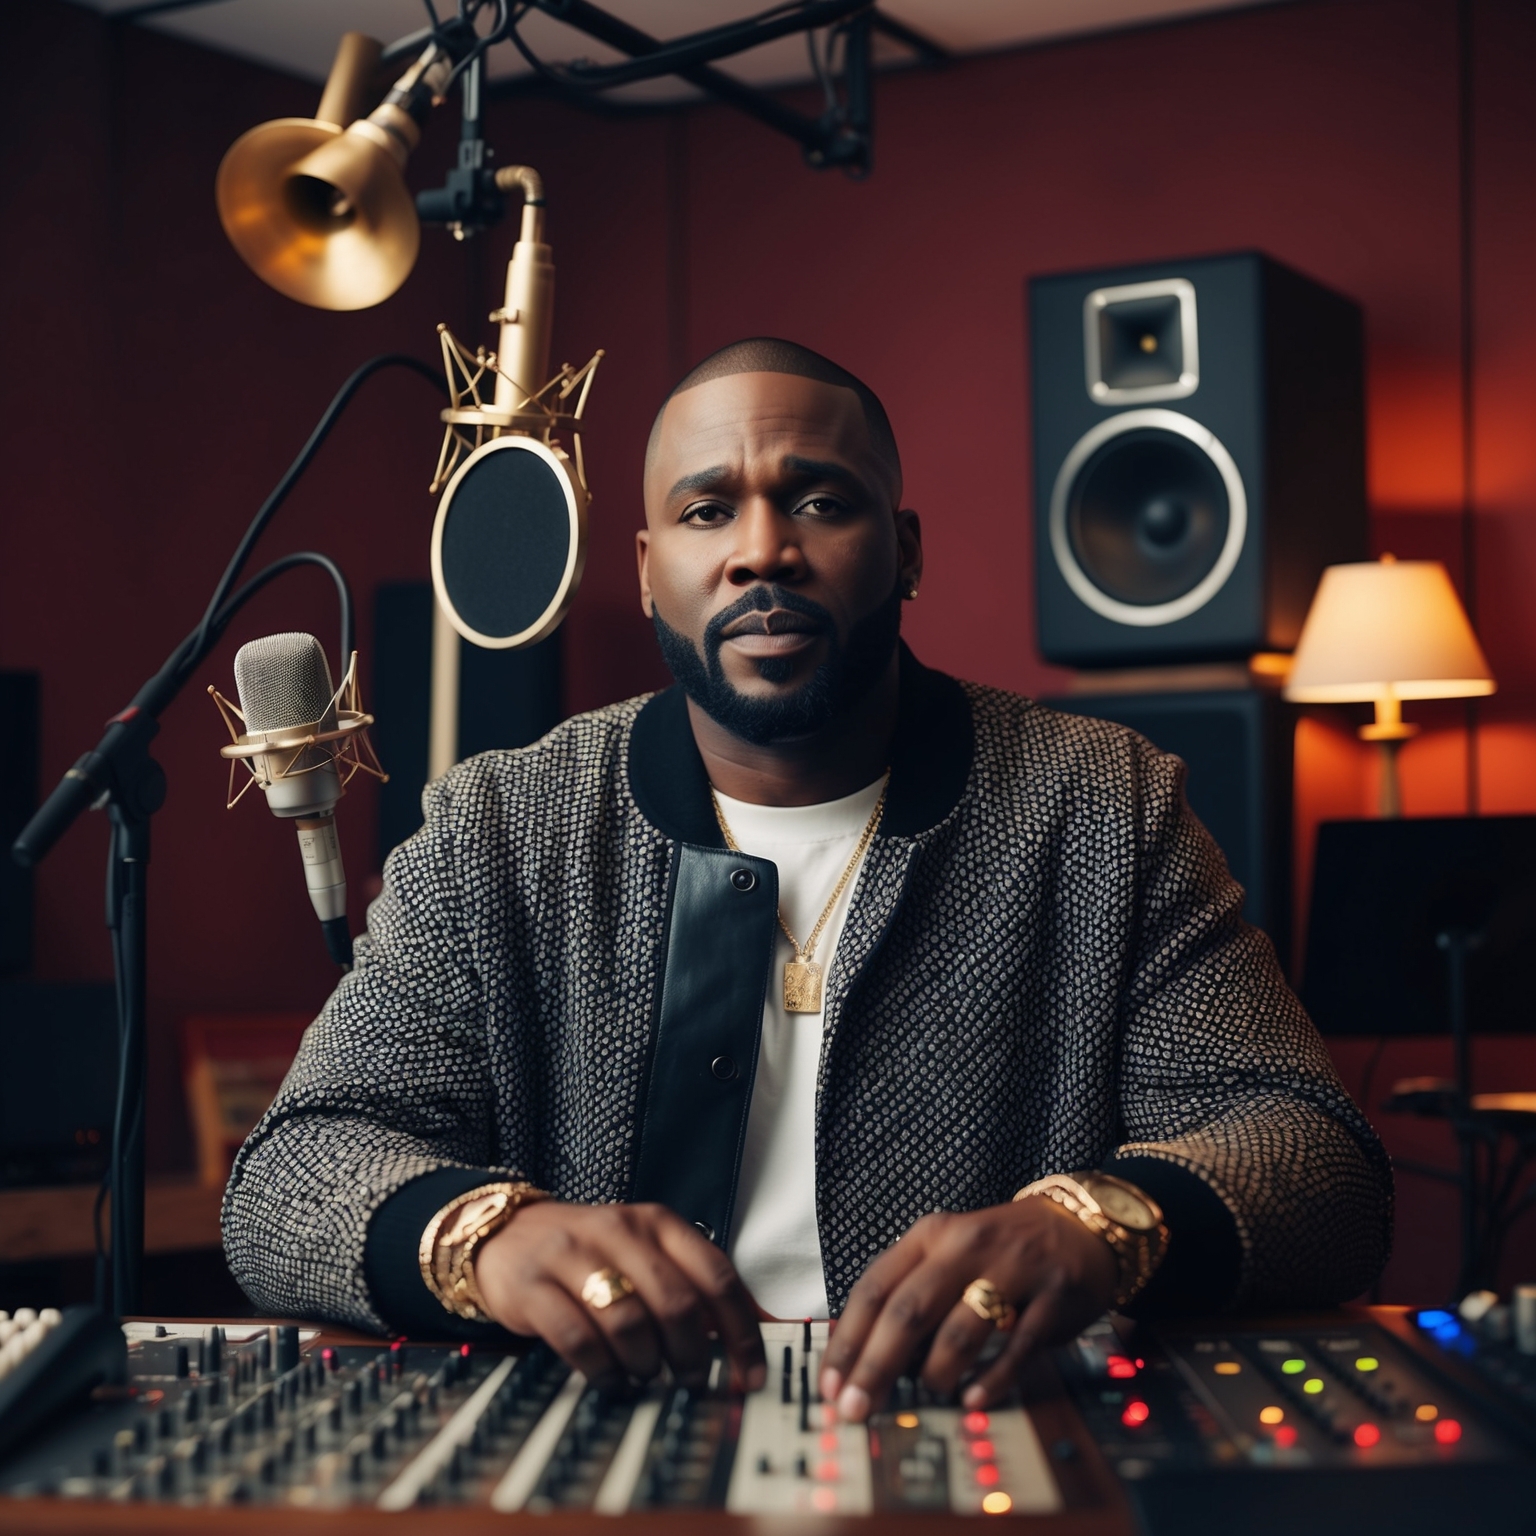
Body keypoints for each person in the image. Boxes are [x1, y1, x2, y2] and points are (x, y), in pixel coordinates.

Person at [224, 338, 1391, 1423]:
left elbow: (1311, 1156)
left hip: (970, 1422)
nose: (762, 550)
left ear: (908, 548)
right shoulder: (502, 827)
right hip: (605, 1431)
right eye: (706, 509)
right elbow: (295, 1166)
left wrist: (1093, 1226)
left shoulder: (1101, 802)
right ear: (645, 571)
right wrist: (491, 1239)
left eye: (821, 501)